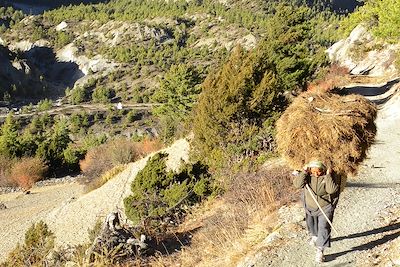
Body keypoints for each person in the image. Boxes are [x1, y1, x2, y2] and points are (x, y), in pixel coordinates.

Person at [293, 160, 339, 263]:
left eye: (318, 171)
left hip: (325, 207)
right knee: (311, 224)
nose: (316, 174)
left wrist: (328, 175)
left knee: (324, 227)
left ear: (323, 169)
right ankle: (314, 236)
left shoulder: (329, 176)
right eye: (313, 171)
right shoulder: (307, 175)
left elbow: (332, 190)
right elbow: (297, 185)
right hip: (310, 206)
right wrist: (304, 172)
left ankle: (320, 251)